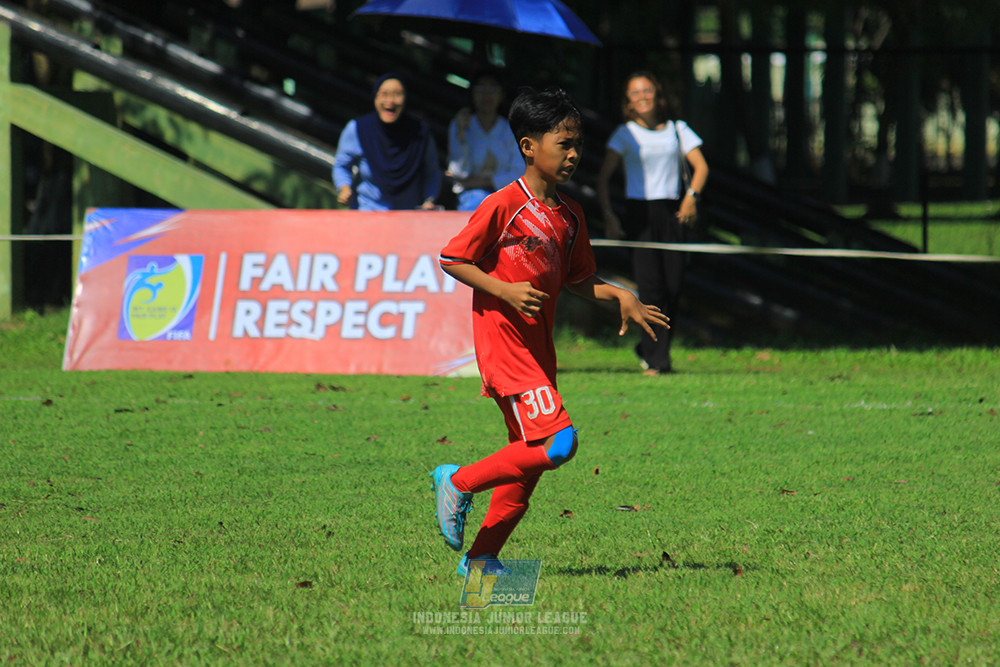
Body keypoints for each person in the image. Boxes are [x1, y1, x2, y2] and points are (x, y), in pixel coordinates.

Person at [432, 88, 671, 576]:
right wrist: (505, 290)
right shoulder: (504, 205)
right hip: (505, 344)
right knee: (559, 444)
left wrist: (620, 294)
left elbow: (579, 280)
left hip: (538, 351)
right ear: (528, 146)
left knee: (528, 462)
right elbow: (453, 258)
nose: (573, 154)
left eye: (576, 144)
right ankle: (457, 480)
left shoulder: (569, 216)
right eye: (563, 143)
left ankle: (481, 561)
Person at [596, 70, 709, 375]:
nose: (642, 97)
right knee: (651, 288)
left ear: (658, 95)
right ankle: (659, 360)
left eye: (647, 90)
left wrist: (691, 197)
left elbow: (700, 167)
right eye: (635, 93)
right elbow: (603, 179)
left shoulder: (677, 129)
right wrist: (610, 216)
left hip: (673, 214)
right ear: (628, 102)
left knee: (673, 287)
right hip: (639, 214)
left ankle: (649, 349)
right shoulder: (624, 134)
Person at [333, 73, 441, 211]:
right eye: (384, 94)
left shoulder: (420, 133)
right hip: (367, 212)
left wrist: (429, 199)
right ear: (375, 97)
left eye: (397, 94)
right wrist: (344, 187)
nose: (390, 101)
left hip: (407, 217)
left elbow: (432, 171)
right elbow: (341, 165)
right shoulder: (358, 129)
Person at [446, 69, 523, 211]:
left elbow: (519, 173)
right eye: (480, 87)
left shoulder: (509, 130)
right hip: (469, 200)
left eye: (493, 87)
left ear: (501, 94)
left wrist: (485, 181)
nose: (486, 94)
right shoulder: (460, 125)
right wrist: (461, 136)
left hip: (505, 198)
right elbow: (459, 173)